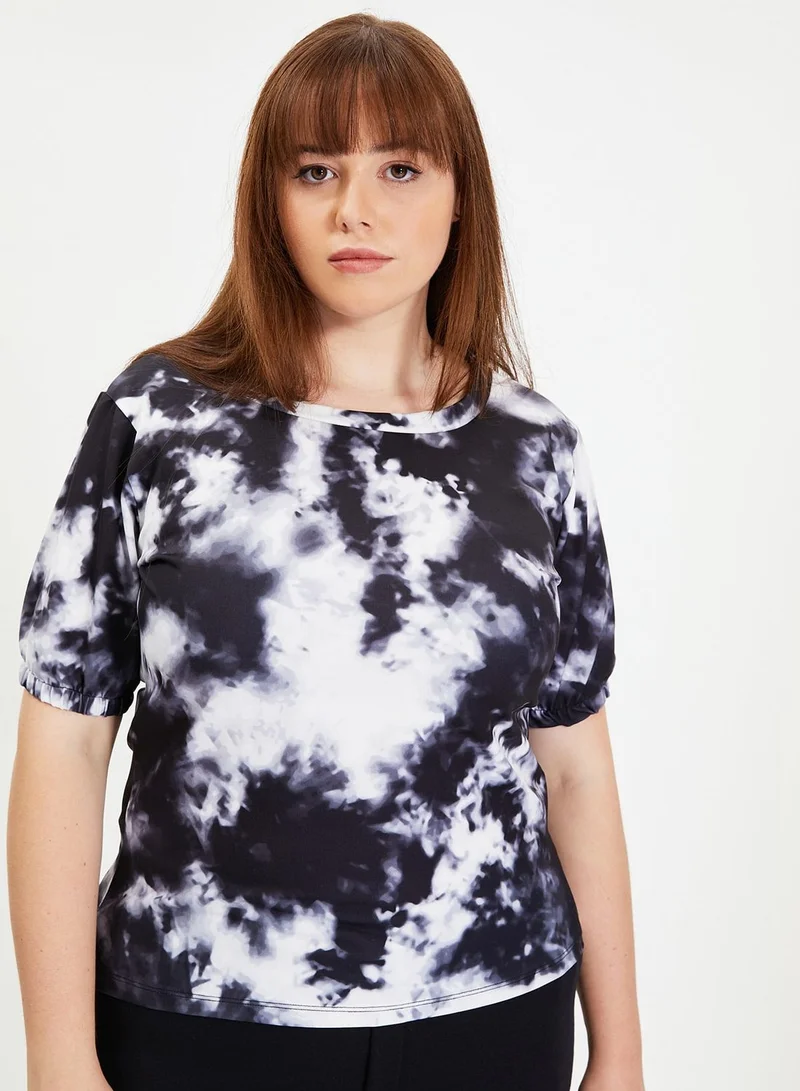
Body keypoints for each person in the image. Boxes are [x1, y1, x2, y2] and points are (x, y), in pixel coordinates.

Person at [7, 12, 645, 1091]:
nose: (356, 208)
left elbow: (575, 759)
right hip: (201, 1014)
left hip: (493, 1012)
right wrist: (59, 1057)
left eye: (400, 167)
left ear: (460, 193)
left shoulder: (533, 446)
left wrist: (619, 1051)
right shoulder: (158, 419)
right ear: (270, 197)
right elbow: (64, 739)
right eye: (315, 170)